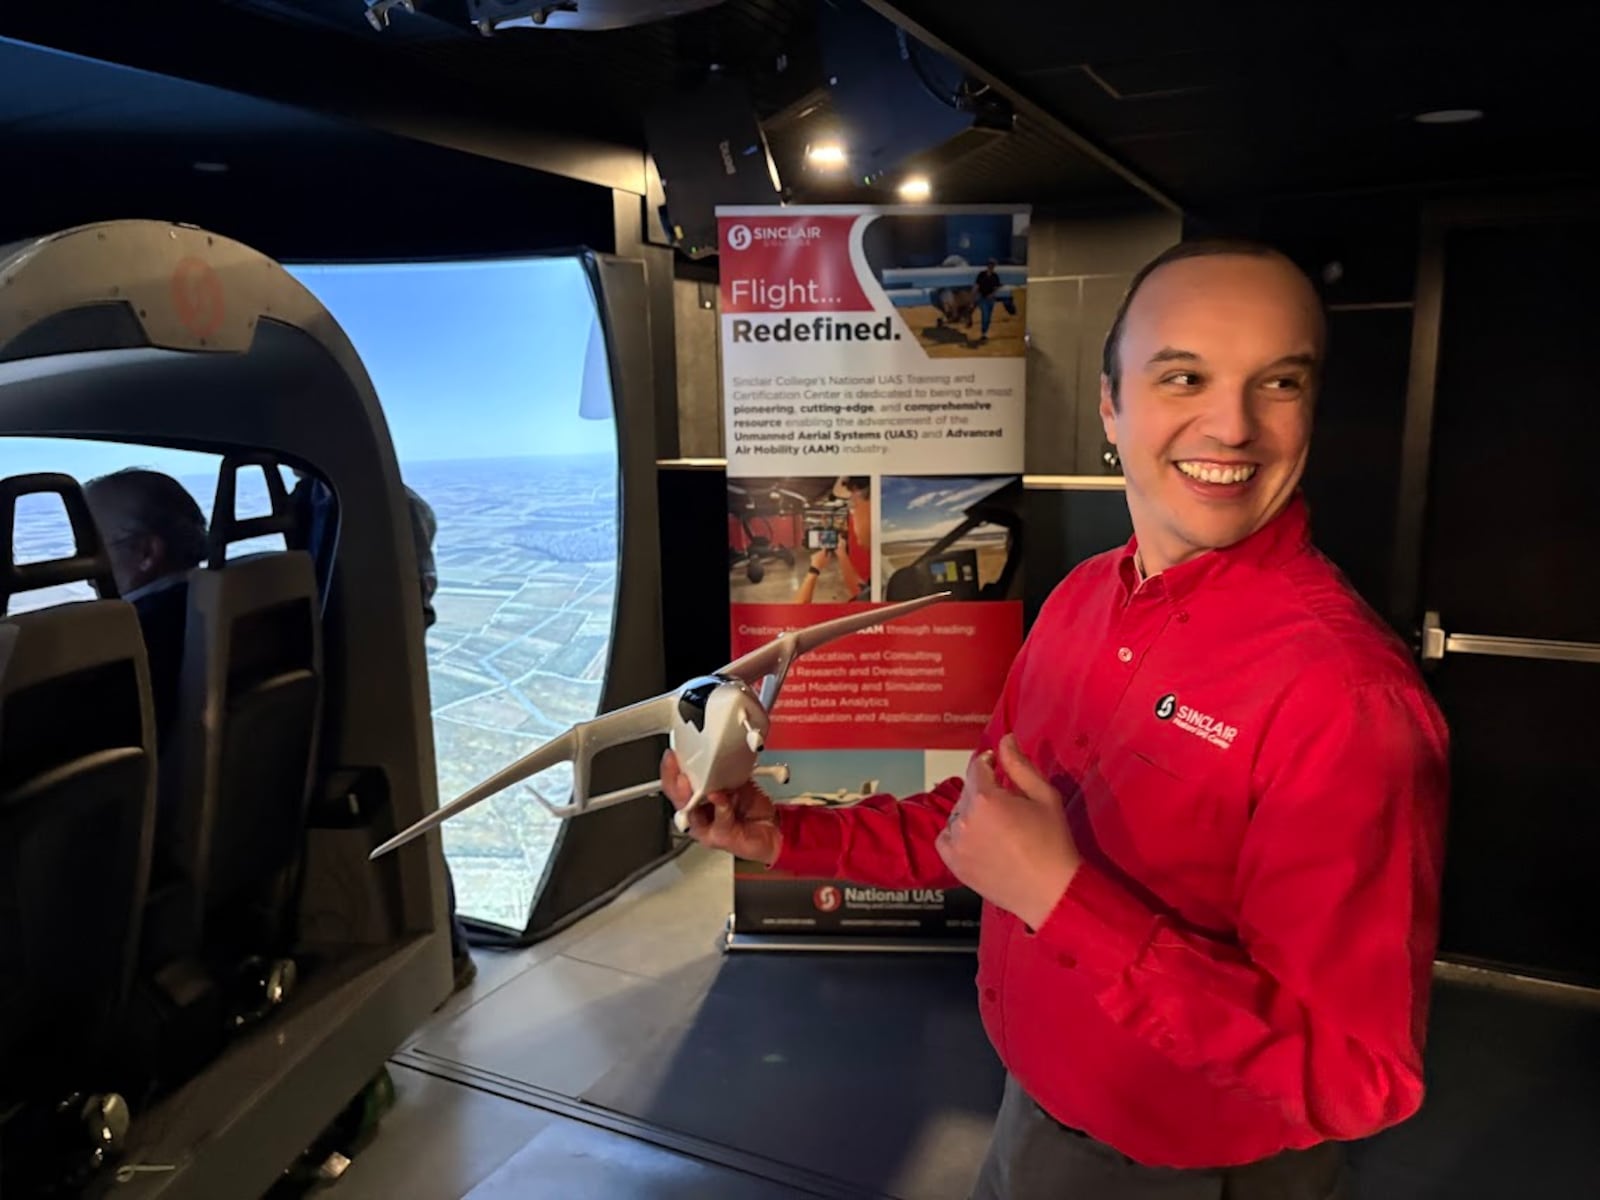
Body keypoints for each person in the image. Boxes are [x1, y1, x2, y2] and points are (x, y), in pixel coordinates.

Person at [664, 239, 1450, 1199]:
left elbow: (1359, 1077)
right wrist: (784, 833)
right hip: (1035, 1110)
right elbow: (982, 823)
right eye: (1184, 375)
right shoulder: (1084, 599)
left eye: (1278, 383)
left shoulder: (1344, 697)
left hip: (1184, 1173)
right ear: (1111, 407)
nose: (1234, 425)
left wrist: (1066, 901)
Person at [83, 468, 208, 749]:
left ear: (146, 553)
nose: (82, 559)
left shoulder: (125, 644)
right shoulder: (209, 605)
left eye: (91, 542)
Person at [974, 258, 1018, 343]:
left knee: (988, 316)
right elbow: (977, 286)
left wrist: (992, 294)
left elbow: (996, 287)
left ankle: (985, 332)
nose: (991, 267)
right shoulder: (981, 275)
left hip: (990, 299)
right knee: (985, 315)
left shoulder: (995, 276)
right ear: (988, 266)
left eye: (992, 265)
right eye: (990, 265)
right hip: (983, 298)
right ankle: (984, 333)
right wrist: (974, 297)